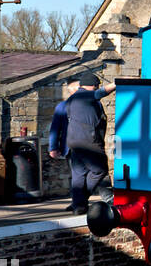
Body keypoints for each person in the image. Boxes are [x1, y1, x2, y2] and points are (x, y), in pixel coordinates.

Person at [64, 72, 117, 214]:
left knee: (79, 174)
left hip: (74, 141)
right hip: (88, 141)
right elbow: (101, 92)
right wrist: (117, 83)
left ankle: (78, 206)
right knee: (100, 170)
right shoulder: (85, 95)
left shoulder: (71, 99)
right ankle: (80, 200)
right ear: (93, 85)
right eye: (96, 85)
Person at [48, 78, 81, 212]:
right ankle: (76, 202)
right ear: (73, 91)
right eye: (80, 88)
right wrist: (53, 147)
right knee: (76, 176)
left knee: (95, 172)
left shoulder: (91, 103)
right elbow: (55, 128)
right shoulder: (62, 106)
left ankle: (106, 198)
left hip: (90, 145)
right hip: (71, 147)